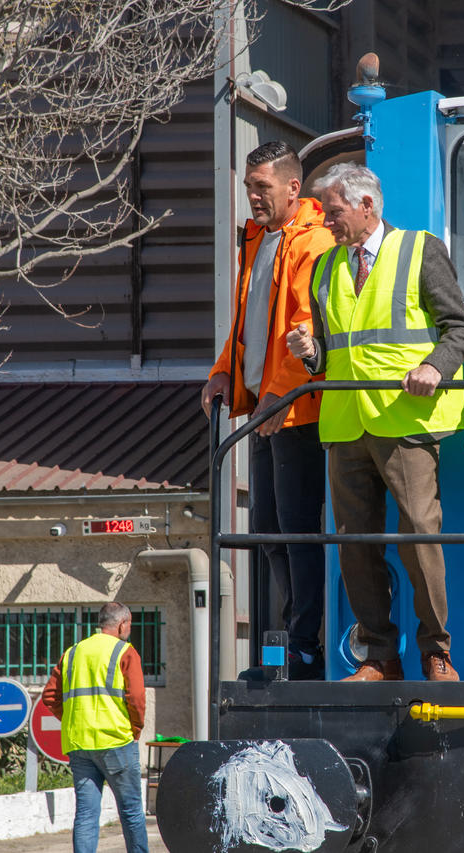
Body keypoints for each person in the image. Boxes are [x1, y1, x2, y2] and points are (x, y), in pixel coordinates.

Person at [287, 163, 464, 682]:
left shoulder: (420, 249)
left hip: (405, 422)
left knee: (418, 533)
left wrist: (434, 368)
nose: (327, 221)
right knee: (354, 545)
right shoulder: (325, 268)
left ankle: (437, 652)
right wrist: (310, 353)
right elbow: (332, 352)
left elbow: (460, 329)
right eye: (325, 211)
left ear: (367, 205)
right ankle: (380, 657)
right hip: (346, 423)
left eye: (334, 210)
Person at [200, 140, 334, 680]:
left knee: (296, 529)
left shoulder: (313, 241)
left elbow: (303, 328)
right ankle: (288, 638)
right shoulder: (258, 240)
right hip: (264, 409)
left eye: (263, 188)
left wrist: (282, 394)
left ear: (292, 188)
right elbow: (247, 324)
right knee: (269, 528)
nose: (253, 197)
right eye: (249, 187)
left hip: (294, 411)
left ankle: (306, 646)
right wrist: (222, 373)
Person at [41, 602, 148, 853]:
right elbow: (136, 699)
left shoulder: (72, 653)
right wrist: (135, 729)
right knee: (131, 811)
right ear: (122, 624)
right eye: (129, 625)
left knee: (86, 815)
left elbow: (50, 697)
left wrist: (73, 720)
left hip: (79, 744)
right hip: (116, 742)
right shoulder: (125, 652)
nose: (129, 630)